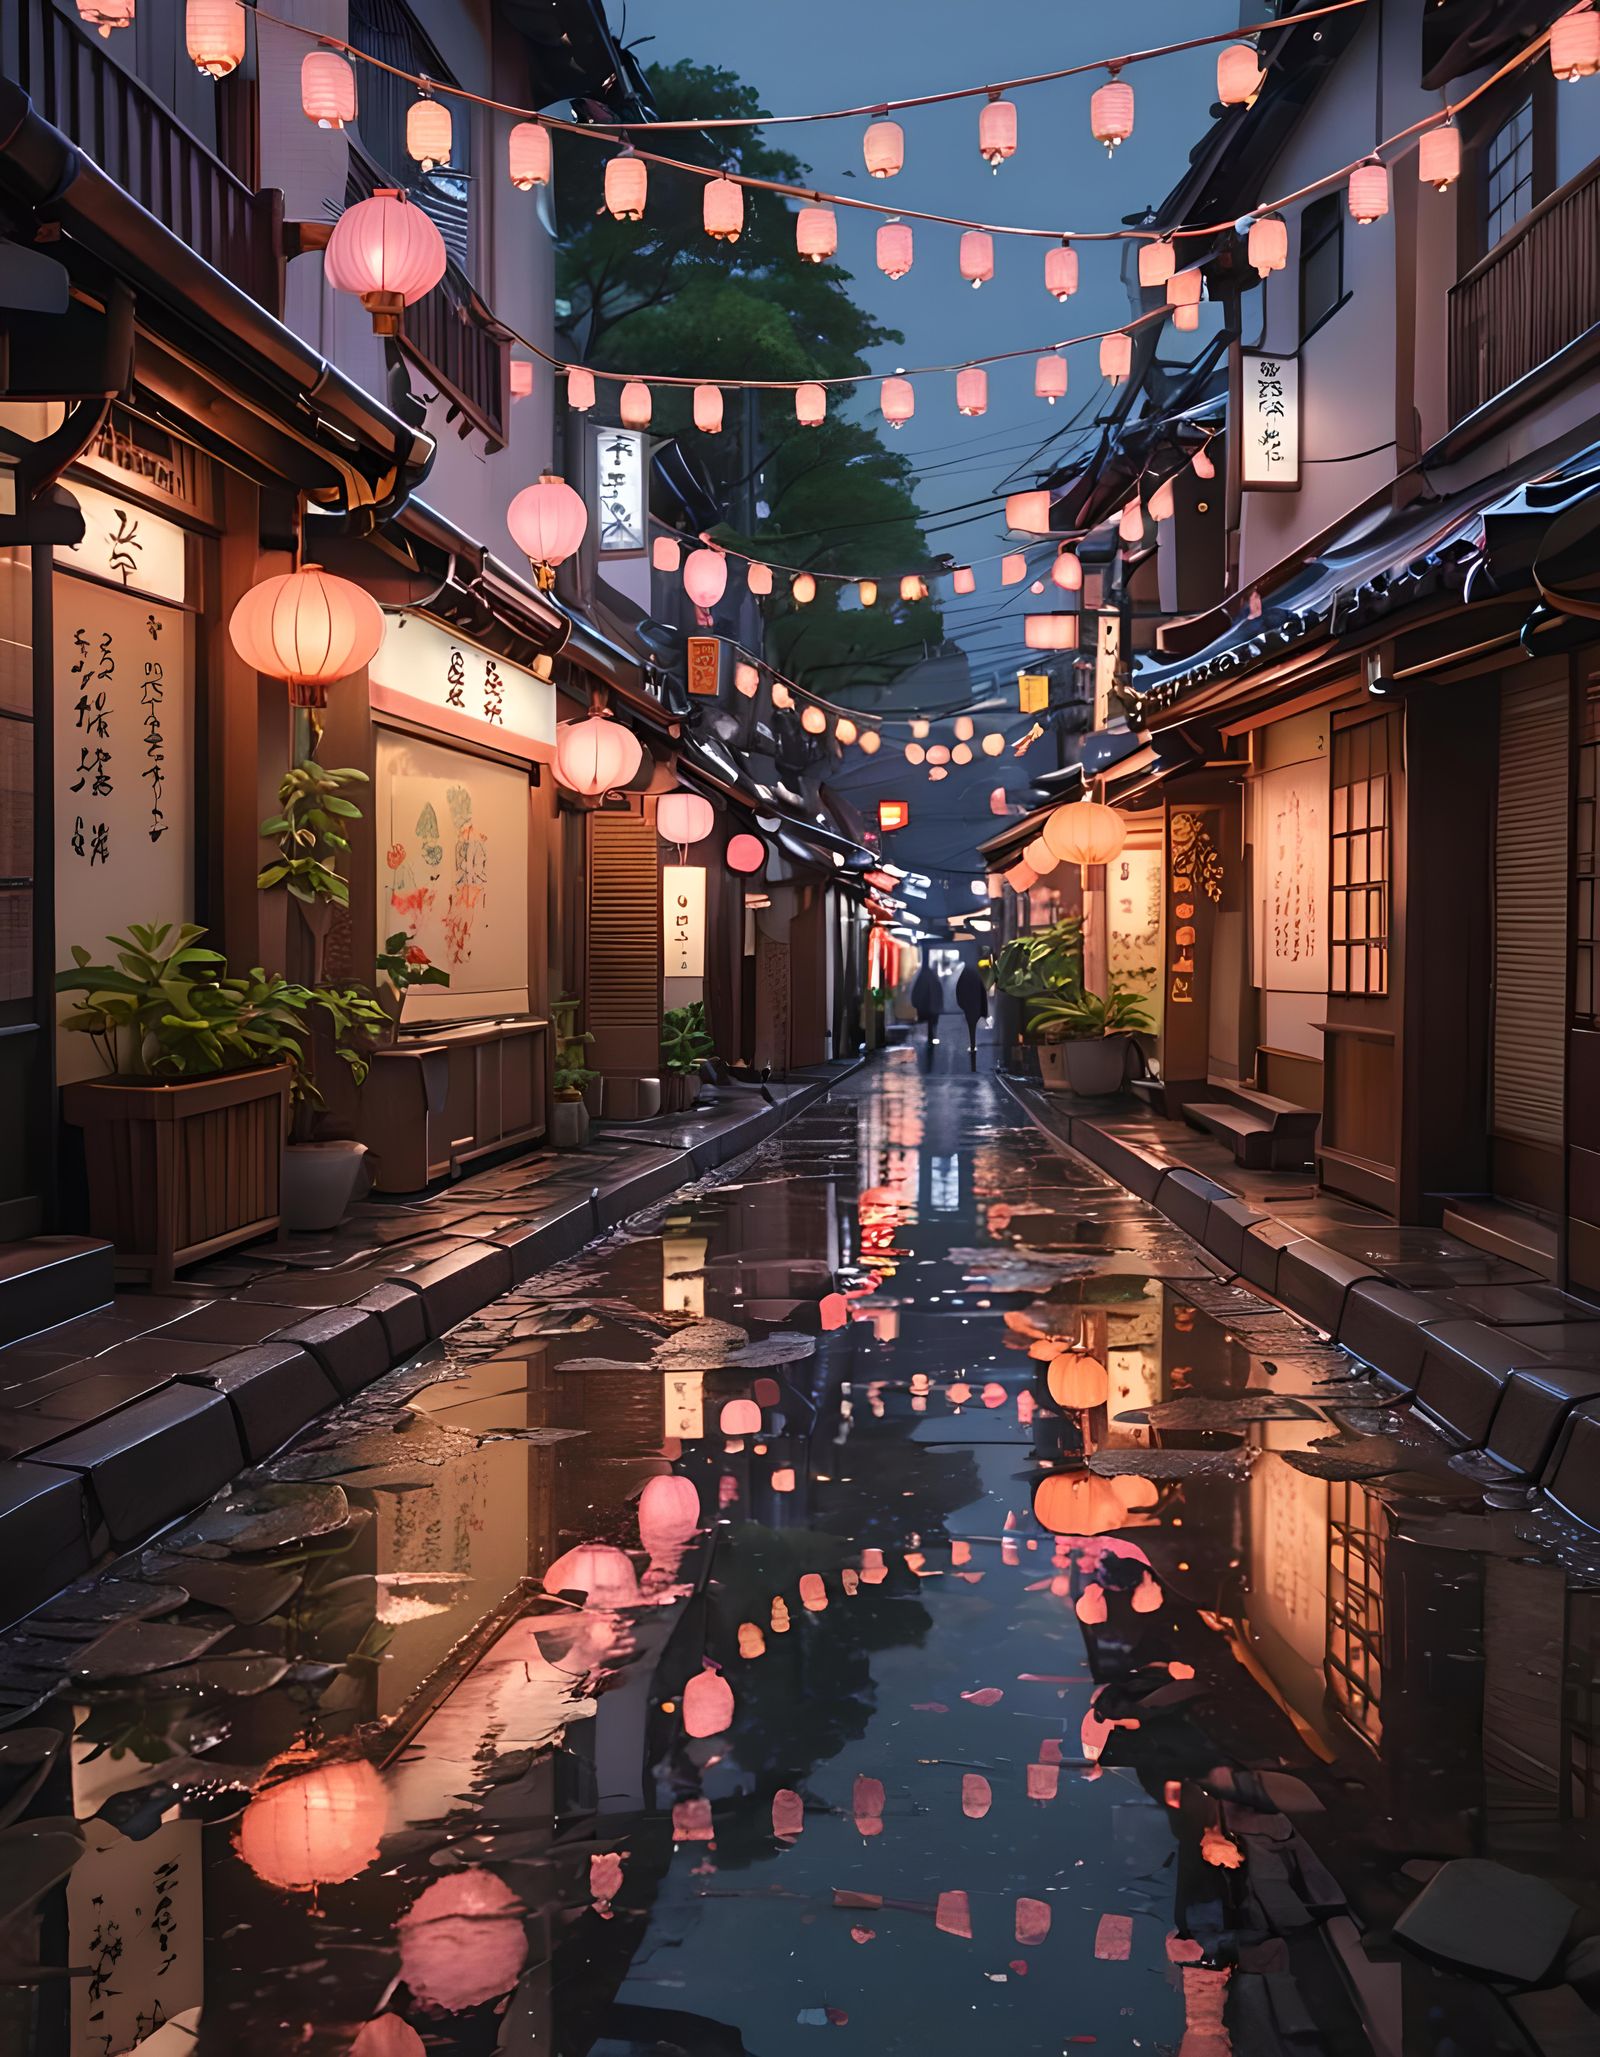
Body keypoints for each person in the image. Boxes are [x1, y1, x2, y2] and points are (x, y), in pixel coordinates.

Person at [955, 962, 989, 1065]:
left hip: (968, 1005)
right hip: (976, 1004)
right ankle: (973, 1043)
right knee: (973, 1024)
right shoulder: (976, 976)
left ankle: (972, 1044)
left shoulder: (963, 976)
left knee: (971, 1024)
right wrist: (984, 1010)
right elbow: (983, 993)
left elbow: (959, 990)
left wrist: (962, 1004)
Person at [910, 959, 943, 1058]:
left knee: (928, 1023)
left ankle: (929, 1040)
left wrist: (916, 1003)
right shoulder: (935, 979)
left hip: (926, 1006)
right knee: (931, 1023)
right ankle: (931, 1039)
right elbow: (939, 993)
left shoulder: (923, 977)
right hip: (931, 1007)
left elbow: (916, 992)